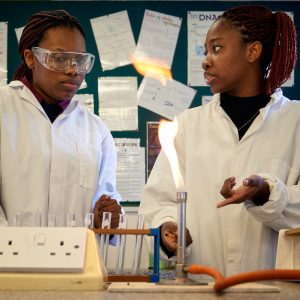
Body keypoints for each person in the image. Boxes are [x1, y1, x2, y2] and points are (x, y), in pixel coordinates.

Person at [139, 5, 300, 276]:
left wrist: (267, 193)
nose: (205, 61)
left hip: (276, 287)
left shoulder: (295, 120)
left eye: (217, 49)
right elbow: (159, 201)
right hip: (202, 285)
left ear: (252, 51)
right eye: (205, 51)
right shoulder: (187, 125)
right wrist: (168, 227)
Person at [0, 10, 122, 228]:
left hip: (75, 258)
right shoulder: (4, 108)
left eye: (80, 60)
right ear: (31, 58)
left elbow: (106, 201)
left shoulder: (96, 130)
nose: (73, 70)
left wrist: (105, 218)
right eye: (59, 58)